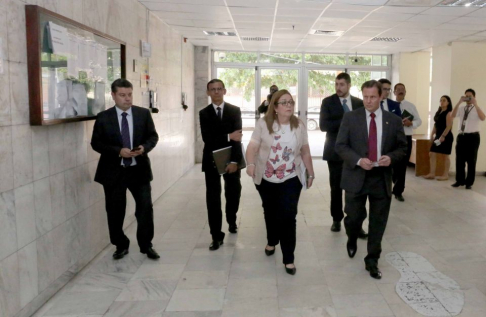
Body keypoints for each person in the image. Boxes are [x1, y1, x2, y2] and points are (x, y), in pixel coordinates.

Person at [335, 80, 407, 279]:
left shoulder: (392, 120)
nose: (368, 101)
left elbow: (402, 148)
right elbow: (340, 146)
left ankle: (372, 260)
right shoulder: (351, 118)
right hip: (356, 176)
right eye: (365, 97)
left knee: (378, 222)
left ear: (381, 96)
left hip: (381, 178)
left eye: (373, 97)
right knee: (353, 217)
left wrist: (390, 158)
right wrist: (358, 160)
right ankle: (352, 236)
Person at [246, 89, 315, 276]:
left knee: (288, 216)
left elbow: (305, 150)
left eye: (291, 102)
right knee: (270, 211)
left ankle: (289, 259)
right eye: (284, 102)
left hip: (290, 178)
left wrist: (310, 172)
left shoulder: (299, 125)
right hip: (266, 177)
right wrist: (251, 163)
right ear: (275, 107)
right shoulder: (264, 124)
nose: (289, 106)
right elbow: (252, 146)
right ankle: (271, 239)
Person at [91, 79, 160, 260]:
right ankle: (120, 244)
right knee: (115, 210)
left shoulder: (143, 114)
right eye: (122, 95)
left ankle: (146, 245)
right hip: (114, 172)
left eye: (129, 94)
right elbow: (96, 143)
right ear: (113, 95)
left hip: (139, 170)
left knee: (145, 208)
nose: (127, 99)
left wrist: (144, 148)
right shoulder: (103, 117)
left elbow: (153, 136)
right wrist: (118, 151)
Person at [319, 73, 368, 238]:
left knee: (357, 190)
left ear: (349, 85)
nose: (338, 87)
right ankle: (336, 219)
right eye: (336, 84)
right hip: (335, 153)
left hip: (356, 154)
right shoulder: (328, 102)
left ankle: (356, 224)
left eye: (341, 84)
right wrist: (347, 119)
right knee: (336, 188)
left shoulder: (359, 103)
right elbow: (324, 125)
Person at [200, 79, 243, 251]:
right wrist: (228, 136)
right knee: (213, 198)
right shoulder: (204, 113)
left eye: (219, 89)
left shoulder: (234, 111)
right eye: (213, 89)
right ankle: (216, 235)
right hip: (211, 160)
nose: (216, 92)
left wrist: (235, 161)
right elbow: (207, 138)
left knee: (233, 192)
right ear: (208, 93)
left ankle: (231, 219)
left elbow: (238, 138)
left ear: (224, 91)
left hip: (231, 158)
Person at [451, 89, 485, 189]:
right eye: (466, 96)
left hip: (473, 137)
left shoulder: (478, 108)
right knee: (459, 160)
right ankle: (459, 180)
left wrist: (476, 105)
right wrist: (459, 102)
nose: (468, 98)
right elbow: (452, 115)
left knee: (471, 160)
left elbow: (483, 118)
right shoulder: (462, 108)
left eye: (470, 96)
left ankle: (469, 182)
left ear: (474, 97)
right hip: (462, 136)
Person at [392, 83, 422, 202]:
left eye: (402, 90)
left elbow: (419, 120)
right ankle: (395, 184)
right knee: (393, 165)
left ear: (405, 92)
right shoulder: (389, 105)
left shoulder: (410, 106)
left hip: (406, 138)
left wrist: (412, 124)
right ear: (394, 92)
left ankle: (399, 191)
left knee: (402, 165)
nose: (400, 91)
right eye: (398, 90)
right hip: (392, 138)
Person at [423, 96, 454, 181]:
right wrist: (432, 134)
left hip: (446, 136)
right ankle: (432, 173)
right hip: (438, 136)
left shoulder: (449, 113)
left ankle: (445, 174)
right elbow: (436, 124)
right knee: (432, 153)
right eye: (441, 100)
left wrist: (443, 136)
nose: (442, 102)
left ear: (448, 102)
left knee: (445, 155)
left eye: (444, 100)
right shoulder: (439, 112)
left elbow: (449, 126)